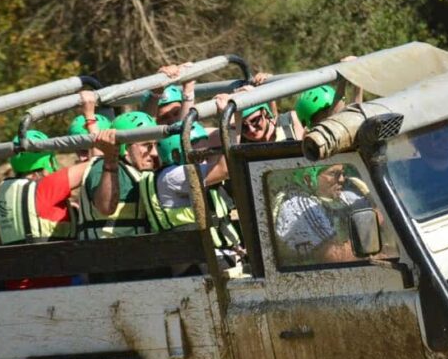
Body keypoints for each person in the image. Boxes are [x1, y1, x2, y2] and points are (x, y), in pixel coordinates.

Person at [0, 130, 92, 289]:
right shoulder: (46, 187)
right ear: (47, 161)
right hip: (52, 285)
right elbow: (95, 165)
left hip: (16, 285)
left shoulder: (6, 191)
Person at [139, 122, 243, 269]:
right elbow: (224, 169)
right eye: (199, 154)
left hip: (212, 257)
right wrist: (229, 124)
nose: (205, 158)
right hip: (199, 264)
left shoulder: (175, 174)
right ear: (176, 153)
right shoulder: (172, 176)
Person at [80, 111, 158, 240]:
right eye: (147, 145)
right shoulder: (101, 166)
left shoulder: (141, 173)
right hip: (101, 254)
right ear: (125, 148)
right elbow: (105, 208)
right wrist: (110, 160)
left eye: (155, 145)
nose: (154, 153)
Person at [274, 164, 370, 264]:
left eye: (342, 173)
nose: (342, 179)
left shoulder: (342, 197)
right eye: (333, 173)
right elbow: (336, 257)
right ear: (308, 179)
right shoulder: (296, 207)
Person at [214, 88, 304, 143]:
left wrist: (266, 83)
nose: (251, 130)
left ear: (264, 112)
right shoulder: (241, 140)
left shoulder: (291, 120)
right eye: (243, 127)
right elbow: (228, 163)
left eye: (254, 120)